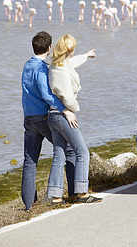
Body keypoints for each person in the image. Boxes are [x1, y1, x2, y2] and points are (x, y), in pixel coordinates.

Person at [21, 31, 77, 211]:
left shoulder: (27, 65)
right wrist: (65, 110)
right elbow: (46, 94)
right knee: (69, 149)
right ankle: (75, 193)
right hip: (43, 118)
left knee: (30, 161)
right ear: (49, 48)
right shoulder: (41, 68)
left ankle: (30, 206)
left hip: (28, 118)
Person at [47, 34, 101, 204]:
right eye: (74, 48)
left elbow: (72, 63)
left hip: (53, 114)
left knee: (59, 154)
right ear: (69, 49)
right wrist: (75, 109)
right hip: (64, 115)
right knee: (82, 152)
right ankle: (81, 192)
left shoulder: (56, 65)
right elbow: (68, 99)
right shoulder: (61, 72)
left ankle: (55, 197)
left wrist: (86, 55)